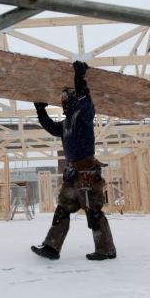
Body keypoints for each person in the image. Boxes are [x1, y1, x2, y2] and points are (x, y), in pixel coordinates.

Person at [31, 61, 116, 261]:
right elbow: (50, 127)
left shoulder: (83, 115)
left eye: (65, 98)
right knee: (62, 209)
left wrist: (79, 78)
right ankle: (52, 247)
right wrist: (40, 110)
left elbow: (86, 101)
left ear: (73, 99)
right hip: (72, 175)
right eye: (62, 100)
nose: (63, 102)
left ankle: (106, 249)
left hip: (87, 174)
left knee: (93, 212)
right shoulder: (66, 124)